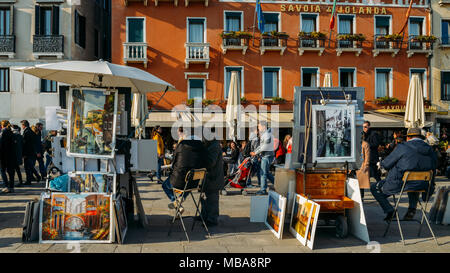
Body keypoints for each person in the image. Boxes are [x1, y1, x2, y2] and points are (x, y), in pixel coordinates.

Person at [370, 128, 437, 222]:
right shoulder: (429, 149)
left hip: (401, 183)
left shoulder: (403, 147)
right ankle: (412, 209)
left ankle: (390, 211)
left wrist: (382, 163)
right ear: (420, 138)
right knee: (414, 182)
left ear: (408, 138)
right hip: (424, 184)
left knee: (374, 187)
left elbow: (386, 164)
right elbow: (435, 166)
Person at [163, 127, 207, 210]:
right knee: (189, 182)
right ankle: (180, 199)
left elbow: (174, 162)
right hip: (194, 182)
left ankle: (175, 201)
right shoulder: (201, 145)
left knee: (165, 185)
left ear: (183, 133)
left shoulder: (181, 144)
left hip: (179, 180)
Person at [199, 128, 224, 227]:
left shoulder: (214, 145)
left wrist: (201, 159)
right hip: (209, 176)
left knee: (212, 198)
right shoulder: (210, 144)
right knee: (205, 197)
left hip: (213, 176)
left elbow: (210, 162)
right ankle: (204, 216)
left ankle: (212, 219)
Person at [251, 121, 274, 195]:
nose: (258, 128)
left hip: (266, 156)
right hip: (266, 156)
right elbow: (261, 146)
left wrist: (255, 152)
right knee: (266, 173)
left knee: (263, 173)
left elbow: (265, 146)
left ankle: (263, 190)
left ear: (264, 127)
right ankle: (278, 185)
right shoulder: (265, 134)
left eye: (259, 126)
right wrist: (255, 152)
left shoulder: (267, 135)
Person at [0, 120, 17, 193]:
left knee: (2, 170)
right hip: (11, 155)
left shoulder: (3, 133)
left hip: (3, 155)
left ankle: (6, 186)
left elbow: (1, 145)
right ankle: (11, 187)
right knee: (11, 172)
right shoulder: (11, 132)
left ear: (2, 125)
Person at [21, 120, 38, 185]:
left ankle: (29, 181)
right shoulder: (31, 131)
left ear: (23, 125)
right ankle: (36, 176)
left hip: (27, 153)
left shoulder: (26, 132)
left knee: (27, 167)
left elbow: (26, 144)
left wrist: (24, 153)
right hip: (31, 152)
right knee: (30, 166)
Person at [356, 132, 371, 200]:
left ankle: (361, 198)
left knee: (361, 184)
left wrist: (366, 165)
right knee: (355, 183)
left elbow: (367, 156)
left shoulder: (365, 144)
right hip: (355, 166)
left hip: (361, 166)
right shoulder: (354, 143)